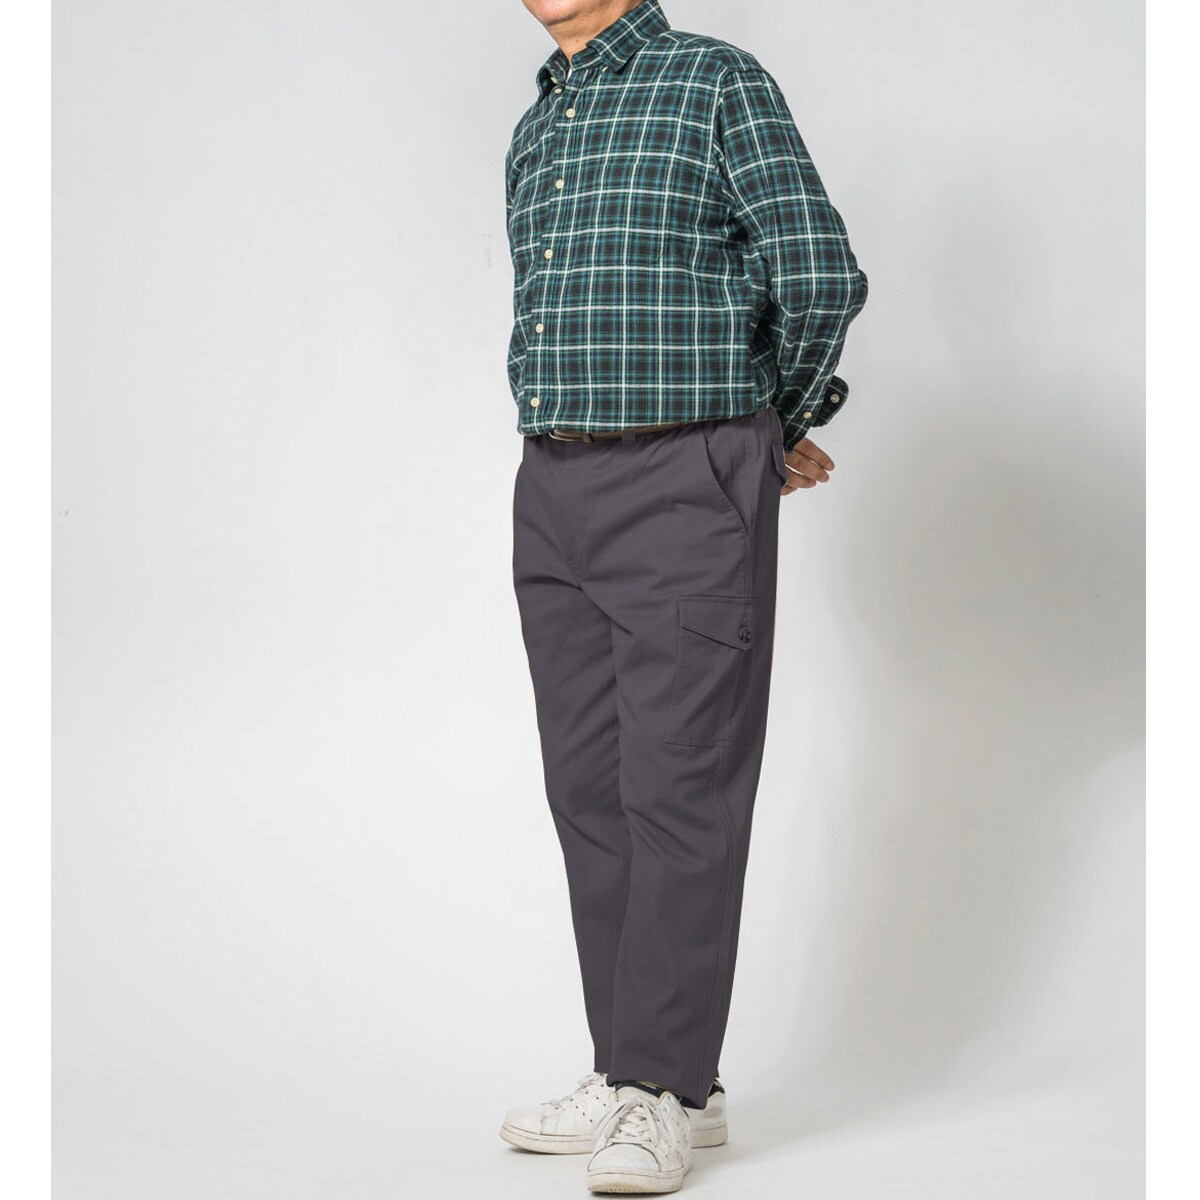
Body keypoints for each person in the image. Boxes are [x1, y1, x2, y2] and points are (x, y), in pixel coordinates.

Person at [499, 0, 868, 1191]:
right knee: (588, 790)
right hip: (551, 480)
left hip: (681, 472)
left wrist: (770, 426)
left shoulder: (712, 80)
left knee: (677, 788)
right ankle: (641, 1075)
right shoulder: (538, 126)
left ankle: (661, 1086)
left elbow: (819, 271)